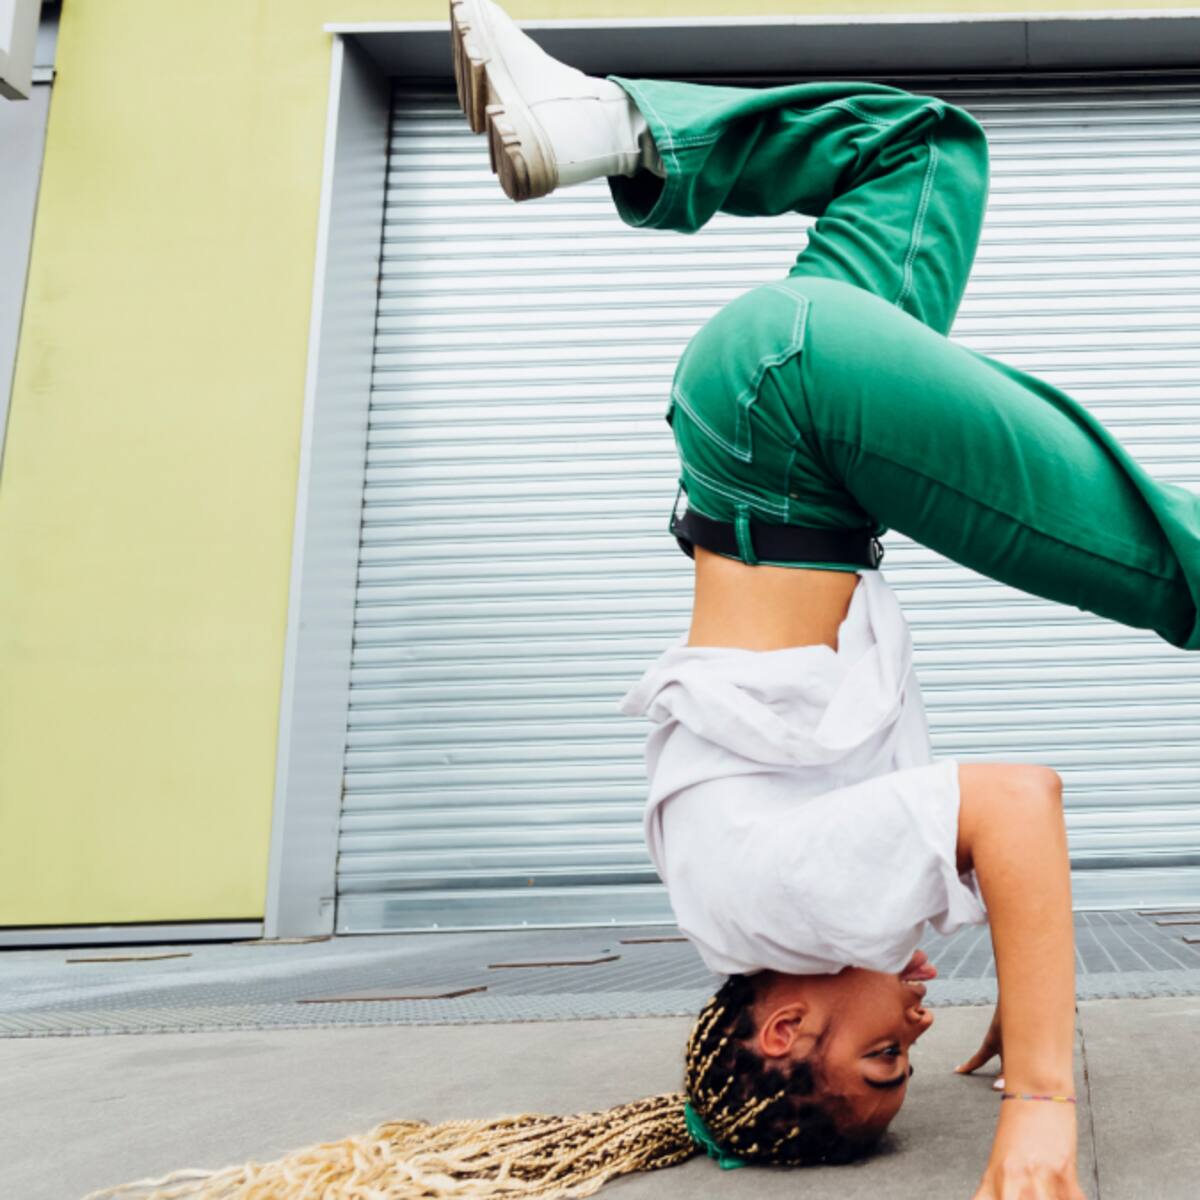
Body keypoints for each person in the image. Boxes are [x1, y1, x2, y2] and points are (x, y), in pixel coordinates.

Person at [91, 4, 1195, 1198]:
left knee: (1176, 572)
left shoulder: (785, 903)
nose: (913, 1034)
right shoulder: (742, 913)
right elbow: (905, 839)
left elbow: (1019, 806)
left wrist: (1041, 1097)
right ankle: (616, 125)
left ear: (785, 1028)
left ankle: (614, 123)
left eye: (883, 1056)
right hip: (750, 420)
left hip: (795, 429)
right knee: (918, 152)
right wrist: (1004, 985)